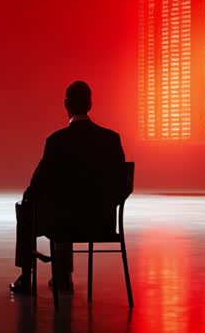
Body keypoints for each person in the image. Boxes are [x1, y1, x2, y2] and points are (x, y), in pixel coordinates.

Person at [11, 81, 126, 295]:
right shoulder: (111, 140)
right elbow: (121, 186)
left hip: (63, 224)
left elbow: (38, 185)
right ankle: (64, 275)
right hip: (102, 223)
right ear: (90, 104)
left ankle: (27, 277)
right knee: (65, 211)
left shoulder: (57, 142)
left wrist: (28, 198)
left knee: (27, 208)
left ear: (66, 104)